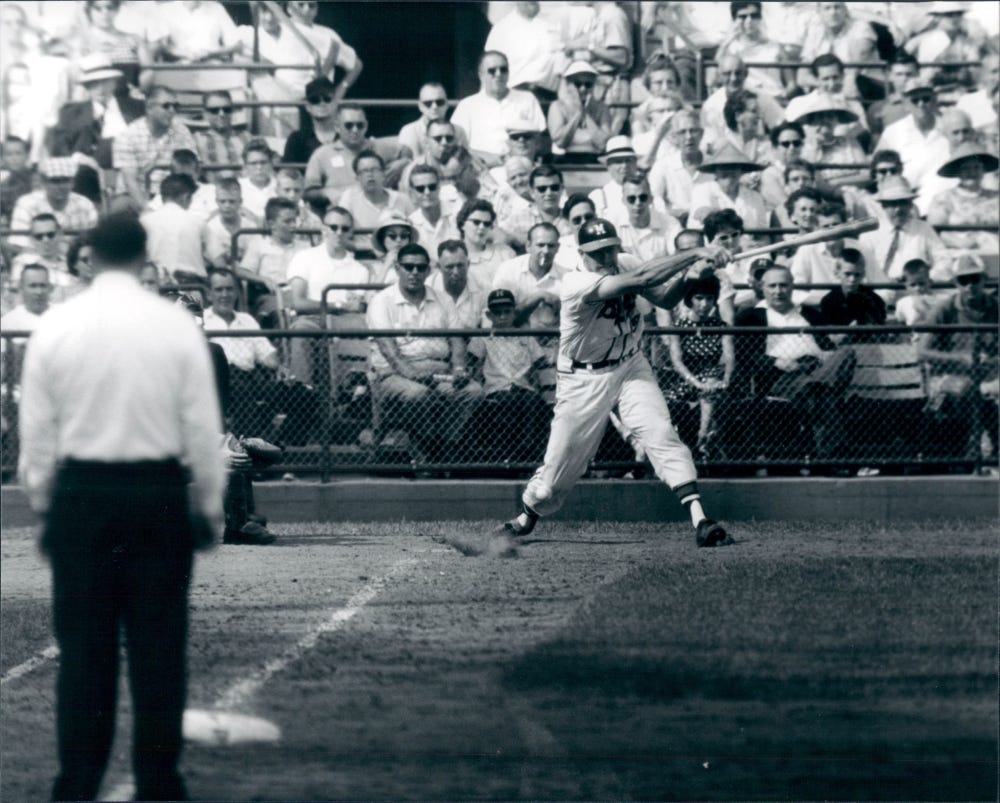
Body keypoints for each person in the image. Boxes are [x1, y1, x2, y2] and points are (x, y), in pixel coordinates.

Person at [17, 211, 225, 801]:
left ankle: (77, 783)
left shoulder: (57, 325)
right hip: (156, 496)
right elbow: (201, 427)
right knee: (159, 649)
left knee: (85, 652)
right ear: (143, 254)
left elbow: (38, 436)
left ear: (92, 255)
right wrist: (209, 510)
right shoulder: (174, 325)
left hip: (83, 498)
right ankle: (160, 782)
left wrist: (45, 507)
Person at [501, 218, 733, 548]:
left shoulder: (624, 261)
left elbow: (665, 299)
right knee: (553, 478)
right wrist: (696, 252)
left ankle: (701, 519)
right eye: (598, 252)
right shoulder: (576, 283)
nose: (607, 257)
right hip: (582, 377)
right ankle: (525, 518)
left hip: (629, 365)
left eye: (610, 248)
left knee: (660, 432)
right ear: (582, 252)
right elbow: (642, 278)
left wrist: (691, 278)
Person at [365, 243, 483, 461]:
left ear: (429, 270)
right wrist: (410, 373)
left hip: (438, 371)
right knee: (418, 394)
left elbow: (457, 340)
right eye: (408, 267)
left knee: (472, 391)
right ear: (397, 268)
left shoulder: (442, 298)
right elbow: (388, 349)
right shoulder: (382, 300)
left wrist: (459, 368)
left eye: (420, 268)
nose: (414, 272)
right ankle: (425, 450)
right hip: (394, 374)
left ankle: (445, 444)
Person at [734, 264, 857, 460]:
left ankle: (819, 386)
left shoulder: (809, 314)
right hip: (782, 379)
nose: (778, 291)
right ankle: (837, 458)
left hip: (816, 369)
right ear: (762, 287)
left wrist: (827, 353)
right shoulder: (751, 317)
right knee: (823, 395)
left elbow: (827, 345)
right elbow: (742, 355)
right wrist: (775, 362)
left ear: (792, 286)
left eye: (783, 285)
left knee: (845, 354)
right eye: (772, 286)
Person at [917, 256, 998, 459]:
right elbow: (922, 351)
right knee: (967, 390)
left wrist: (993, 362)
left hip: (990, 375)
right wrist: (961, 359)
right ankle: (968, 451)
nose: (970, 285)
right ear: (955, 283)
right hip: (950, 375)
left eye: (975, 279)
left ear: (984, 280)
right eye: (964, 280)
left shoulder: (996, 307)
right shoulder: (945, 309)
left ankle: (992, 450)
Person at [286, 206, 371, 392]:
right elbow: (298, 302)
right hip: (313, 319)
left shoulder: (360, 269)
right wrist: (337, 305)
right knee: (302, 330)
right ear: (324, 229)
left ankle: (351, 393)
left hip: (344, 324)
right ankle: (301, 391)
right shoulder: (304, 258)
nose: (339, 232)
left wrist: (347, 309)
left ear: (351, 232)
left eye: (345, 228)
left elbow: (355, 307)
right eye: (333, 227)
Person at [466, 288, 551, 463]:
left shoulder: (525, 337)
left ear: (514, 313)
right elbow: (470, 362)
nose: (503, 317)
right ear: (489, 316)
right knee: (507, 405)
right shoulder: (483, 338)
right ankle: (510, 457)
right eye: (497, 313)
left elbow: (541, 363)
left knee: (534, 403)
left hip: (523, 388)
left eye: (507, 312)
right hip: (497, 389)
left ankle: (528, 455)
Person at [47, 53, 145, 205]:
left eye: (105, 82)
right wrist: (78, 158)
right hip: (86, 181)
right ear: (86, 87)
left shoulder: (136, 108)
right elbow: (59, 150)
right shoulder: (71, 113)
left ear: (114, 82)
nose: (100, 89)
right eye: (93, 84)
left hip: (130, 174)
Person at [660, 272, 734, 459]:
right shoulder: (678, 327)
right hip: (687, 380)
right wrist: (696, 382)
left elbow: (729, 357)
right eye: (699, 298)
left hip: (714, 380)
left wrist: (725, 379)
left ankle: (702, 434)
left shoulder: (720, 326)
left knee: (711, 379)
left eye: (709, 299)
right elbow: (677, 361)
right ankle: (704, 436)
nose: (704, 304)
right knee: (706, 383)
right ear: (690, 300)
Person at [203, 268, 283, 437]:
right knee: (242, 391)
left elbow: (267, 355)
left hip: (250, 378)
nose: (225, 294)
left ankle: (284, 442)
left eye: (230, 289)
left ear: (237, 292)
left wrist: (280, 365)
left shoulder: (247, 320)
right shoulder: (200, 320)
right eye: (219, 289)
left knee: (299, 392)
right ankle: (248, 444)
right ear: (209, 294)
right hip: (215, 381)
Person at [450, 50, 545, 161]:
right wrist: (490, 158)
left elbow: (538, 139)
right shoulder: (467, 106)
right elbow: (457, 145)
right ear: (481, 75)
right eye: (492, 71)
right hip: (481, 169)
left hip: (520, 168)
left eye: (503, 70)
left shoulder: (527, 99)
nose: (498, 74)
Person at [304, 103, 412, 199]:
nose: (355, 130)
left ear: (366, 126)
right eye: (349, 125)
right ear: (337, 127)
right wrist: (329, 194)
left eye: (360, 125)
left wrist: (403, 163)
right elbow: (309, 192)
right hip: (340, 214)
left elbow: (406, 149)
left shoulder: (378, 146)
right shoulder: (322, 154)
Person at [112, 84, 197, 205]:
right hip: (136, 193)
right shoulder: (127, 136)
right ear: (149, 108)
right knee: (121, 207)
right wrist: (147, 210)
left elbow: (190, 169)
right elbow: (130, 181)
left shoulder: (182, 131)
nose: (172, 111)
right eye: (166, 106)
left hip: (173, 193)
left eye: (175, 106)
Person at [858, 175, 950, 281]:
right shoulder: (869, 233)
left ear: (911, 204)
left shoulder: (923, 228)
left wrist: (926, 278)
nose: (898, 209)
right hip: (882, 289)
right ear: (883, 206)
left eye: (903, 203)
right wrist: (882, 281)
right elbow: (862, 267)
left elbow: (944, 259)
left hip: (918, 288)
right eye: (892, 204)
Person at [238, 196, 307, 324]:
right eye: (287, 221)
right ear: (271, 224)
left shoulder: (304, 247)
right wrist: (264, 280)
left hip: (298, 295)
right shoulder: (259, 244)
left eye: (294, 221)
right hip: (271, 295)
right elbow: (241, 271)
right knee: (282, 312)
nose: (293, 226)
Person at [8, 158, 99, 254]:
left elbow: (95, 243)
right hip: (35, 259)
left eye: (66, 180)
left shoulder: (85, 205)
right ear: (43, 182)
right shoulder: (27, 204)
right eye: (55, 181)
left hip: (74, 260)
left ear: (73, 182)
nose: (61, 186)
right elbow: (18, 245)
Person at [875, 78, 948, 193]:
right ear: (905, 104)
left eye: (926, 99)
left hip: (946, 194)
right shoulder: (893, 132)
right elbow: (878, 168)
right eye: (915, 100)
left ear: (934, 101)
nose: (921, 104)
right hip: (907, 196)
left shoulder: (951, 127)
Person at [483, 0, 563, 98]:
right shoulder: (500, 29)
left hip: (548, 96)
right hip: (514, 97)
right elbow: (488, 70)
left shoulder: (553, 25)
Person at [337, 150, 414, 251]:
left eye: (374, 169)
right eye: (364, 171)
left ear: (383, 173)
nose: (370, 175)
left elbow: (415, 233)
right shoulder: (349, 198)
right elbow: (341, 238)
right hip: (363, 258)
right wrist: (378, 247)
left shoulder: (402, 199)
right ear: (357, 177)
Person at [140, 172, 207, 284]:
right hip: (191, 288)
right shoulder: (198, 222)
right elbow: (218, 259)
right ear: (186, 197)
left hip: (154, 289)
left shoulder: (143, 222)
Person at [647, 110, 712, 221]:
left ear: (701, 134)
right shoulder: (663, 166)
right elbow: (654, 198)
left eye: (693, 131)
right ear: (675, 137)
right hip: (674, 224)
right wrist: (669, 213)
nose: (689, 137)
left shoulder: (713, 165)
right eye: (682, 132)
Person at [687, 144, 768, 232]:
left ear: (742, 171)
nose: (729, 171)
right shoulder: (702, 190)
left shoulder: (755, 197)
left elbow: (763, 231)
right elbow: (701, 217)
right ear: (715, 171)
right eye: (723, 166)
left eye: (734, 166)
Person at [547, 60, 613, 162]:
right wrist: (578, 113)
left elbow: (602, 143)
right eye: (578, 84)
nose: (583, 89)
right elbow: (560, 142)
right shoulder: (557, 106)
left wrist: (585, 113)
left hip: (593, 159)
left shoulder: (602, 108)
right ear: (568, 85)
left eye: (588, 85)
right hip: (565, 160)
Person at [615, 171, 683, 262]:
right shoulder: (613, 224)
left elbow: (677, 260)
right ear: (623, 200)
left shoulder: (671, 224)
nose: (638, 203)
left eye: (643, 197)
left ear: (651, 199)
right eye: (631, 199)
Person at [817, 244, 888, 330]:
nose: (852, 279)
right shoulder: (828, 301)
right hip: (841, 343)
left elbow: (881, 333)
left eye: (857, 275)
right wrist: (849, 330)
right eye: (847, 274)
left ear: (863, 274)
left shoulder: (874, 300)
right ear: (837, 273)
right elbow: (828, 339)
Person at [397, 82, 468, 160]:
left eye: (439, 102)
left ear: (447, 104)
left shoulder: (458, 131)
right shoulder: (409, 131)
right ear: (420, 106)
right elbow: (409, 165)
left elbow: (464, 163)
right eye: (428, 103)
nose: (434, 107)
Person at [457, 198, 515, 291]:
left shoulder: (505, 253)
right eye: (476, 222)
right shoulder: (454, 257)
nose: (481, 227)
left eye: (487, 224)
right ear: (462, 224)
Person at [428, 239, 487, 330]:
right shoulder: (428, 286)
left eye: (460, 266)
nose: (456, 272)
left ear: (468, 264)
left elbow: (488, 330)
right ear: (439, 267)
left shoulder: (484, 288)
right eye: (449, 267)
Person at [202, 177, 259, 269]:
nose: (227, 206)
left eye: (232, 201)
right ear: (216, 201)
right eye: (222, 201)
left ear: (240, 202)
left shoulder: (250, 226)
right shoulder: (210, 227)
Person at [281, 77, 342, 164]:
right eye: (315, 100)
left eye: (327, 99)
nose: (322, 103)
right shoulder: (297, 139)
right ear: (307, 106)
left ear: (335, 103)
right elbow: (288, 173)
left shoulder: (347, 136)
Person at [408, 165, 459, 261]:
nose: (427, 192)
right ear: (412, 193)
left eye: (432, 187)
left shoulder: (457, 214)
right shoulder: (410, 225)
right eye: (420, 188)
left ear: (439, 188)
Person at [589, 135, 639, 221]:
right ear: (608, 165)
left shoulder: (649, 193)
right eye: (618, 161)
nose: (624, 166)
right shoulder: (599, 197)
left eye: (628, 160)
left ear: (635, 163)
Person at [194, 89, 248, 168]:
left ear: (232, 111)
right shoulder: (197, 140)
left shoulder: (246, 137)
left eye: (226, 109)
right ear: (205, 114)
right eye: (214, 110)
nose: (222, 114)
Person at [369, 209, 417, 286]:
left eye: (404, 235)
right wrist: (386, 266)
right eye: (392, 236)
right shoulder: (374, 268)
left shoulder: (419, 264)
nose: (398, 240)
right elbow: (370, 296)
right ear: (382, 239)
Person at [237, 138, 278, 221]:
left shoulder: (281, 186)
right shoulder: (236, 187)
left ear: (271, 164)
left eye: (263, 162)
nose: (259, 167)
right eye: (253, 163)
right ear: (245, 166)